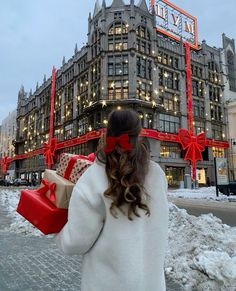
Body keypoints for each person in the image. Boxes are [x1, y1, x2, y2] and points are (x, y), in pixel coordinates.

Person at [55, 108, 169, 291]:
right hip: (150, 284)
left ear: (108, 133)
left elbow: (76, 241)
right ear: (139, 134)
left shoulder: (93, 177)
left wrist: (60, 233)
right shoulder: (157, 174)